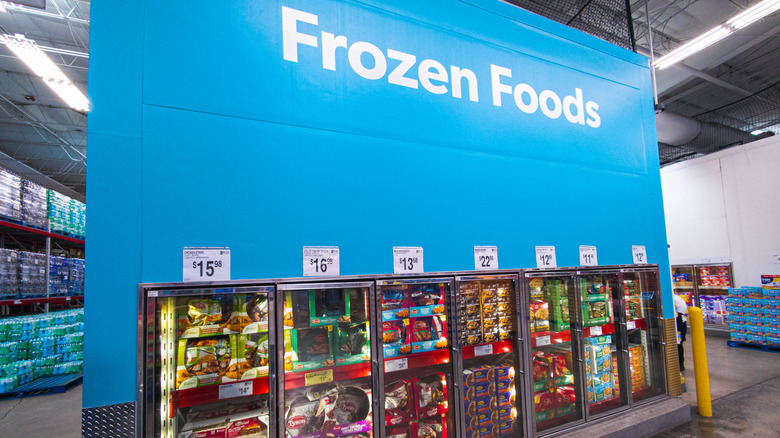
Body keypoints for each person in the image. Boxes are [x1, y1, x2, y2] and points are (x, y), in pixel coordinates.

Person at [673, 293, 689, 371]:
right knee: (678, 344)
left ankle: (680, 364)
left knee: (678, 344)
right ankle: (679, 364)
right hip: (679, 324)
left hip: (679, 325)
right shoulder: (677, 298)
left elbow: (679, 313)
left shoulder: (674, 299)